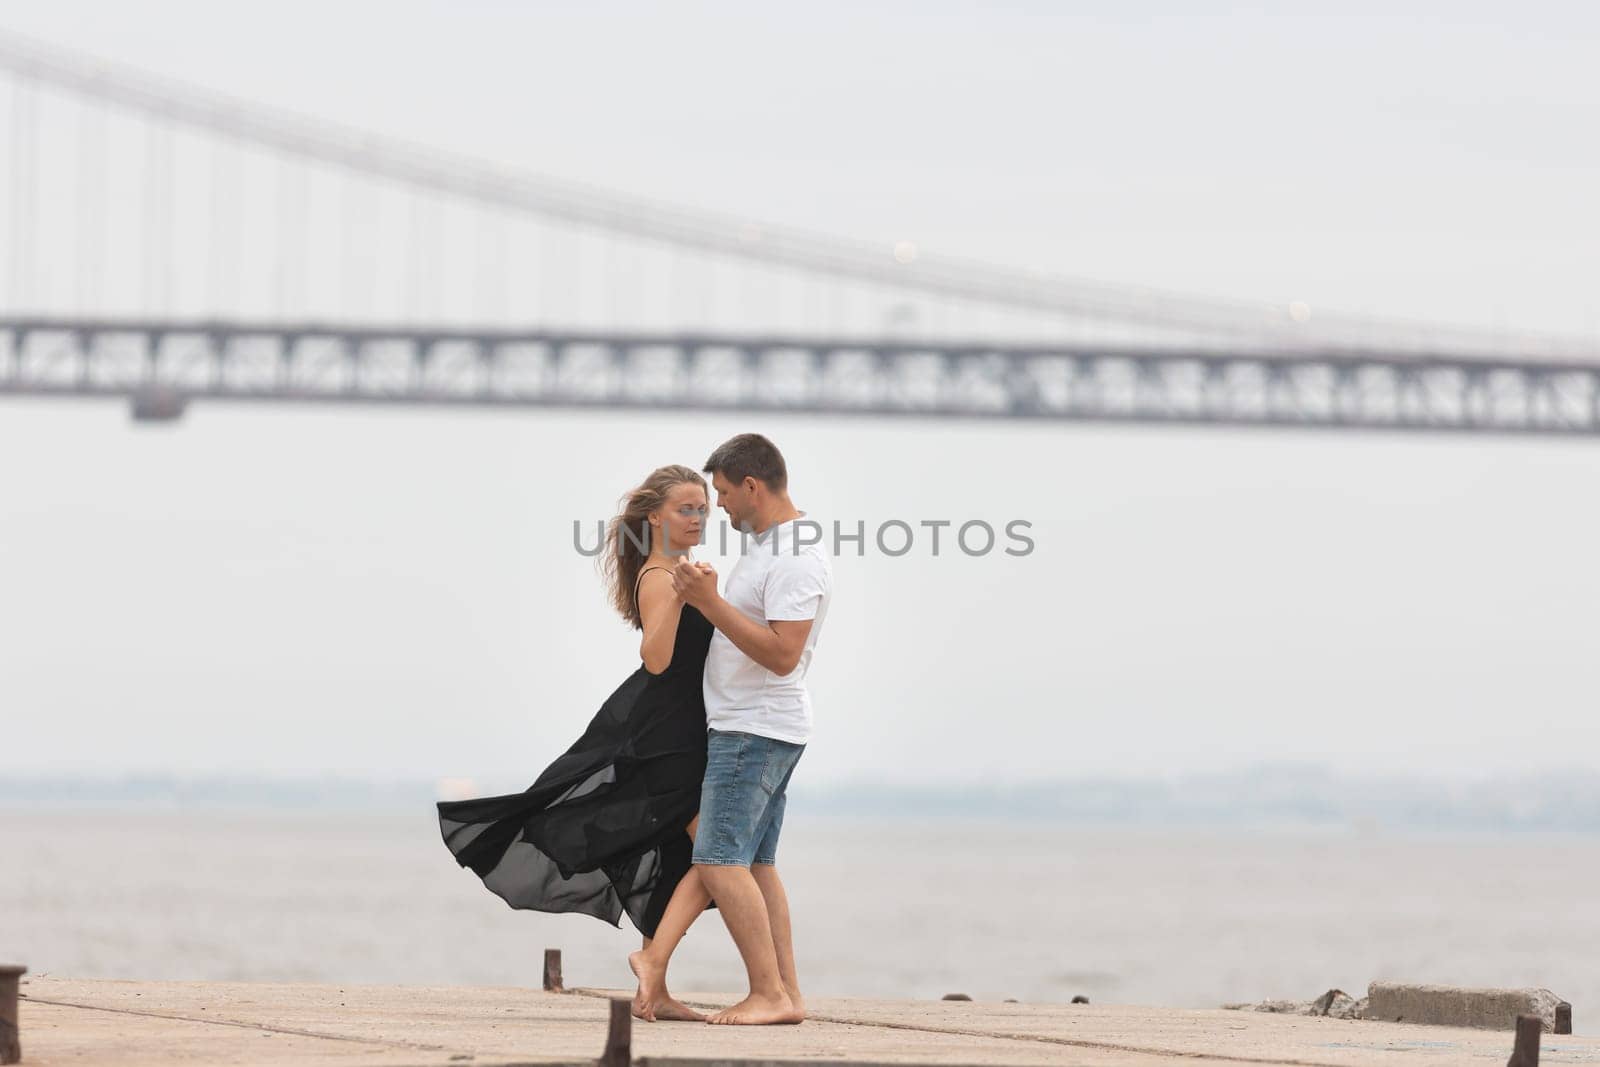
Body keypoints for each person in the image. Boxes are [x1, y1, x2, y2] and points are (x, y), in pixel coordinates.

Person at [436, 464, 716, 1023]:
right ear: (655, 517)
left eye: (704, 509)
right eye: (687, 508)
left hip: (681, 727)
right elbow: (657, 659)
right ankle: (666, 965)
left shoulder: (680, 571)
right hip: (669, 735)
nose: (699, 518)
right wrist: (689, 597)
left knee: (700, 857)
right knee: (717, 854)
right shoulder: (663, 576)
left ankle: (655, 980)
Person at [628, 433, 833, 1026]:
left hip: (753, 728)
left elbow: (782, 655)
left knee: (718, 860)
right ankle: (786, 994)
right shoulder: (770, 547)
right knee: (756, 865)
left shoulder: (794, 556)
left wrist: (710, 602)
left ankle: (765, 994)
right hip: (752, 725)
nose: (715, 508)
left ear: (751, 485)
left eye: (718, 494)